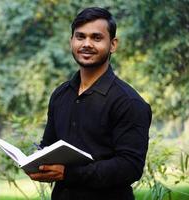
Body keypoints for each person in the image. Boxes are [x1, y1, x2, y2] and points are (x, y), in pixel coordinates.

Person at [27, 7, 152, 200]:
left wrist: (68, 174)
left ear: (113, 45)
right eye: (80, 37)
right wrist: (37, 163)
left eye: (96, 38)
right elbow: (49, 146)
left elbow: (130, 167)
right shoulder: (60, 95)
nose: (86, 44)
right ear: (71, 41)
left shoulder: (129, 102)